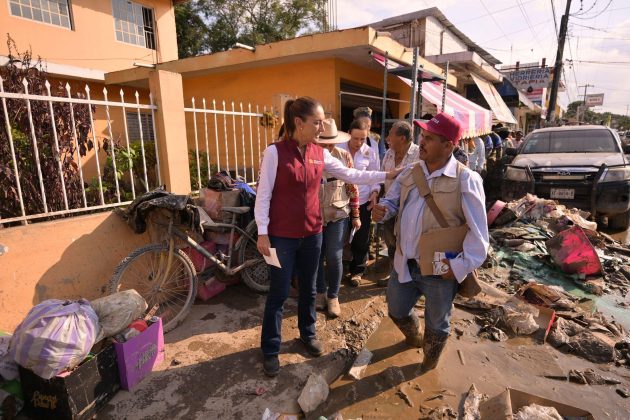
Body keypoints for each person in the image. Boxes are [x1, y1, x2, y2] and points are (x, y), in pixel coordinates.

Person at [255, 96, 402, 377]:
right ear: (299, 123)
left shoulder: (318, 153)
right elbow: (263, 196)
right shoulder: (274, 153)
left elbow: (350, 174)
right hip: (280, 238)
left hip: (313, 234)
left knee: (310, 289)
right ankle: (271, 348)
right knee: (279, 292)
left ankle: (307, 334)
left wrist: (388, 174)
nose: (321, 128)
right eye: (317, 122)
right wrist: (263, 233)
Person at [372, 112, 489, 373]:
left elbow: (479, 235)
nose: (421, 142)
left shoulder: (466, 179)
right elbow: (392, 201)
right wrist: (384, 209)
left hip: (441, 268)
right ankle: (414, 337)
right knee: (396, 309)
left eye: (429, 138)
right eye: (422, 136)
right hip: (404, 261)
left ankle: (428, 362)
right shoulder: (411, 172)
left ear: (448, 146)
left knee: (437, 324)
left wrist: (459, 267)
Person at [315, 119, 360, 318]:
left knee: (334, 256)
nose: (328, 147)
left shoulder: (343, 156)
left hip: (338, 214)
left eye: (331, 142)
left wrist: (356, 214)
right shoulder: (309, 156)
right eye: (324, 143)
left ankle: (333, 296)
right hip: (314, 216)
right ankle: (320, 292)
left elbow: (352, 185)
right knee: (316, 256)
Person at [338, 118, 381, 287]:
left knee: (361, 237)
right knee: (340, 237)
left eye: (362, 139)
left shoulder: (370, 152)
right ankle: (340, 269)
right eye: (355, 138)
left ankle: (358, 270)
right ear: (349, 134)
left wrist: (375, 192)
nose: (358, 142)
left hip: (363, 201)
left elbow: (375, 176)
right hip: (340, 201)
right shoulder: (338, 148)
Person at [378, 120, 419, 287]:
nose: (387, 138)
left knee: (407, 244)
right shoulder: (389, 153)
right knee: (391, 243)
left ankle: (408, 278)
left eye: (390, 135)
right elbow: (382, 177)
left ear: (402, 138)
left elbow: (419, 169)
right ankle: (393, 275)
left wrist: (398, 171)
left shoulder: (418, 153)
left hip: (409, 209)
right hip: (390, 206)